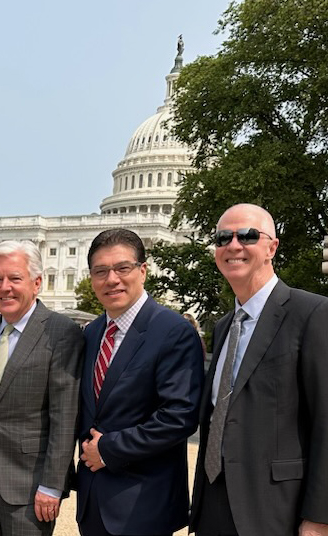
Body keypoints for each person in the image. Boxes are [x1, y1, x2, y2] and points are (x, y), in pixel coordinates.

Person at [189, 204, 328, 536]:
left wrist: (321, 517)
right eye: (224, 237)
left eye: (248, 236)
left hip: (280, 512)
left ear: (272, 247)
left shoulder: (315, 315)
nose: (234, 245)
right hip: (215, 506)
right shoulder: (224, 326)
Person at [0, 240, 83, 536]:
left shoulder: (60, 332)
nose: (4, 287)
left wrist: (52, 485)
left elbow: (65, 415)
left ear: (36, 283)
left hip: (31, 485)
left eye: (14, 278)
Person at [75, 229, 204, 536]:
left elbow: (179, 417)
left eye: (122, 268)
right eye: (101, 271)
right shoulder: (92, 333)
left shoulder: (172, 331)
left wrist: (108, 448)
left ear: (143, 270)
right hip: (93, 500)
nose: (112, 279)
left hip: (144, 504)